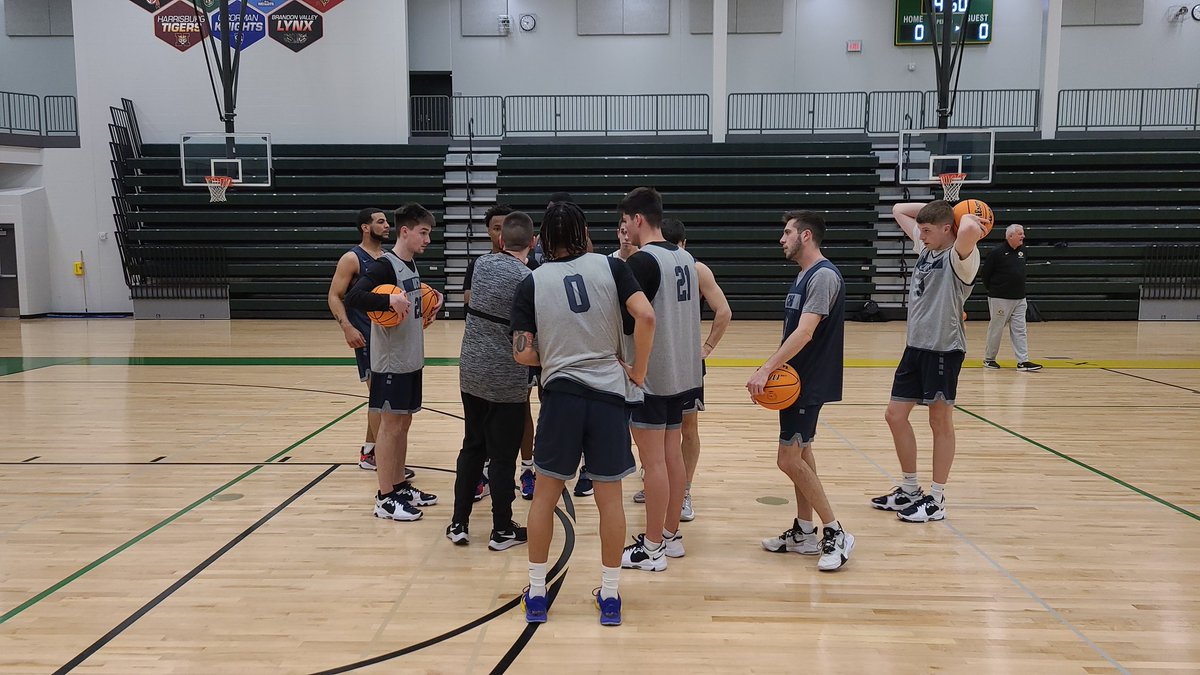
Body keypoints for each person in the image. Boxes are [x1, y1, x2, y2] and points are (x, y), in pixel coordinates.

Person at [512, 201, 655, 626]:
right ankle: (610, 597)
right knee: (610, 500)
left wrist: (556, 355)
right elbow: (645, 316)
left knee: (545, 497)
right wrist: (638, 372)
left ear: (543, 240)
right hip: (610, 396)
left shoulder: (532, 281)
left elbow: (522, 355)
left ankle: (537, 593)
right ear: (585, 232)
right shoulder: (611, 268)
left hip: (561, 399)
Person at [748, 211, 853, 571]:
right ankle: (805, 531)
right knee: (802, 453)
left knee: (788, 459)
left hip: (808, 381)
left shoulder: (822, 276)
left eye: (788, 232)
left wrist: (767, 368)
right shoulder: (805, 275)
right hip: (800, 381)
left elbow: (806, 332)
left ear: (806, 236)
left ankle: (836, 531)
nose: (782, 238)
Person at [871, 200, 985, 523]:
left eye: (927, 230)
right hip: (915, 347)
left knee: (939, 423)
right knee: (894, 416)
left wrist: (958, 211)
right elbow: (897, 210)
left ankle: (936, 498)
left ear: (947, 228)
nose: (920, 234)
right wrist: (941, 207)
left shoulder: (961, 256)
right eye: (920, 229)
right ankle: (909, 489)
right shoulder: (927, 246)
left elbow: (970, 228)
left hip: (944, 349)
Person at [619, 188, 703, 572]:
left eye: (626, 222)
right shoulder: (686, 257)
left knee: (653, 463)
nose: (625, 230)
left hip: (653, 375)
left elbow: (631, 322)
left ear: (638, 219)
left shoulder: (642, 261)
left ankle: (651, 547)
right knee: (671, 458)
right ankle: (670, 538)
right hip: (684, 373)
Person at [344, 203, 444, 522]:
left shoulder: (410, 264)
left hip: (410, 359)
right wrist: (388, 299)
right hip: (390, 363)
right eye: (423, 233)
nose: (428, 239)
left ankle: (399, 484)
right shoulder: (385, 265)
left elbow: (408, 306)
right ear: (405, 231)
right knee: (390, 426)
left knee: (403, 424)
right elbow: (354, 298)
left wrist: (427, 305)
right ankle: (384, 497)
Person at [447, 211, 536, 550]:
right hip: (506, 378)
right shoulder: (529, 278)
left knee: (472, 446)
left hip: (471, 371)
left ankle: (459, 523)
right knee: (502, 457)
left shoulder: (481, 265)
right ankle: (501, 530)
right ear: (532, 242)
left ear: (500, 240)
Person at [660, 217, 731, 522]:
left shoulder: (658, 264)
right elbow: (724, 310)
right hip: (685, 362)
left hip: (663, 360)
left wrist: (707, 349)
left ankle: (681, 489)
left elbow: (724, 311)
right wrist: (708, 348)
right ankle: (675, 487)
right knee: (684, 430)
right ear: (684, 243)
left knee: (662, 429)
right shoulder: (698, 268)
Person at [326, 208, 387, 472]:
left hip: (386, 336)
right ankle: (385, 459)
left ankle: (369, 452)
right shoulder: (352, 258)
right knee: (380, 398)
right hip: (364, 335)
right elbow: (334, 295)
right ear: (365, 227)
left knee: (380, 397)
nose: (387, 226)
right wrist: (347, 328)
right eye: (380, 222)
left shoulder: (387, 257)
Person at [980, 224, 1042, 372]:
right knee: (996, 329)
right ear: (1010, 236)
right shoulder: (996, 253)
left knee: (1020, 329)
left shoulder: (1023, 251)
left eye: (1023, 233)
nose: (1023, 236)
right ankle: (989, 359)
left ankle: (1023, 361)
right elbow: (985, 274)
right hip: (1000, 298)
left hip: (1020, 298)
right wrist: (995, 289)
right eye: (1020, 234)